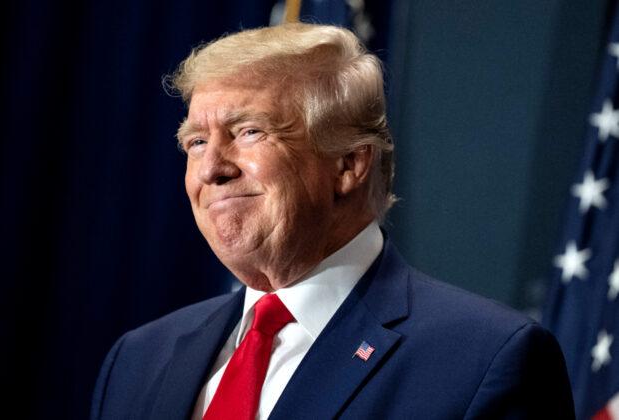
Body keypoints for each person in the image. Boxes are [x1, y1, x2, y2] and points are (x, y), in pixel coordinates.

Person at [91, 23, 574, 419]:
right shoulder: (138, 360)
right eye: (196, 142)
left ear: (348, 164)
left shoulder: (484, 361)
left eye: (249, 131)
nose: (212, 168)